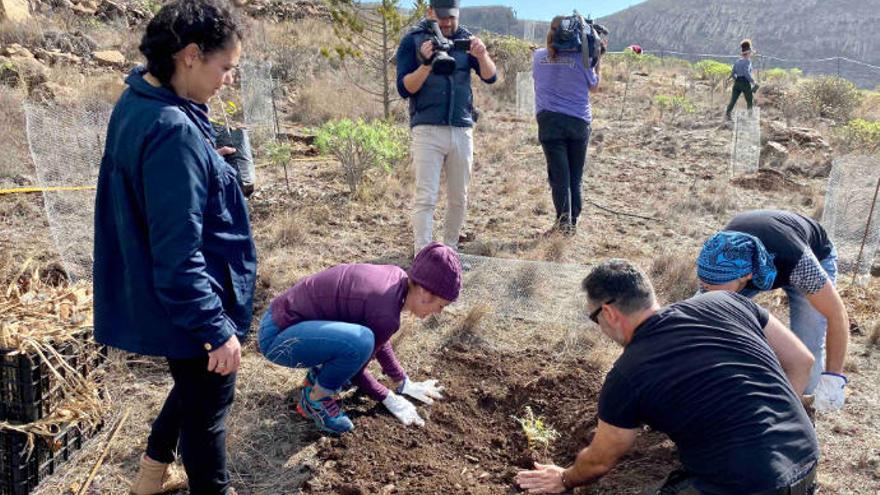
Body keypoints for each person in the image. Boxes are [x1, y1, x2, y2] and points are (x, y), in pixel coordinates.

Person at [93, 1, 256, 494]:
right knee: (208, 413)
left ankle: (148, 478)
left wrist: (208, 163)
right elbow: (177, 251)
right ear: (189, 55)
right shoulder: (173, 131)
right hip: (193, 300)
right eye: (224, 67)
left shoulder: (141, 101)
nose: (227, 79)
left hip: (176, 301)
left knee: (193, 386)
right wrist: (214, 327)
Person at [516, 259, 819, 494]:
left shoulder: (627, 375)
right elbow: (802, 361)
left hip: (743, 486)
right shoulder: (726, 301)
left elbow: (600, 460)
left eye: (593, 318)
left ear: (608, 313)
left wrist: (566, 478)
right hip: (806, 459)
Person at [257, 242, 460, 434]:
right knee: (358, 346)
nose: (439, 312)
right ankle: (315, 400)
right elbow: (358, 363)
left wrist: (403, 381)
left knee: (358, 345)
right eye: (441, 306)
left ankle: (318, 377)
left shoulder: (395, 279)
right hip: (278, 338)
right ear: (424, 293)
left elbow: (380, 338)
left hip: (283, 321)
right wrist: (388, 397)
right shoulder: (386, 311)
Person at [697, 209, 849, 411]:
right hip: (757, 257)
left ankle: (796, 407)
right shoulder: (718, 261)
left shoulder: (802, 266)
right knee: (701, 321)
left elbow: (836, 313)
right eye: (705, 285)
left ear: (747, 276)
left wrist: (833, 377)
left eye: (714, 286)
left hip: (806, 256)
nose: (708, 291)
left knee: (808, 351)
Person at [395, 0, 497, 254]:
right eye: (442, 17)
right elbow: (405, 88)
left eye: (452, 17)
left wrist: (482, 55)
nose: (447, 22)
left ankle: (449, 252)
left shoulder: (466, 40)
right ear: (430, 12)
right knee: (426, 197)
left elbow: (490, 76)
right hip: (427, 129)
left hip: (461, 128)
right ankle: (423, 255)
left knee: (458, 198)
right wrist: (427, 64)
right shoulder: (413, 41)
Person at [532, 15, 603, 235]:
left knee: (559, 176)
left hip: (550, 122)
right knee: (575, 176)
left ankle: (564, 225)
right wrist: (596, 58)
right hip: (578, 122)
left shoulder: (538, 57)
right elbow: (594, 87)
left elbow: (539, 76)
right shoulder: (582, 61)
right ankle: (571, 223)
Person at [725, 38, 758, 121]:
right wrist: (753, 82)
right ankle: (750, 117)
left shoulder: (737, 62)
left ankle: (727, 115)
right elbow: (746, 73)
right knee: (749, 100)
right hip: (745, 83)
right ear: (748, 52)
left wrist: (737, 80)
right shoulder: (747, 61)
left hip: (737, 83)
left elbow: (732, 74)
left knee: (733, 100)